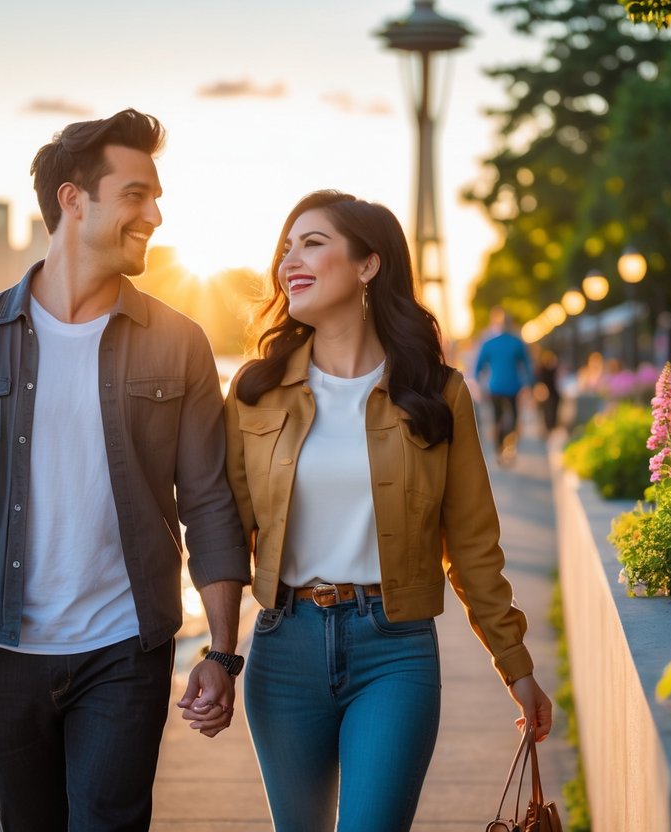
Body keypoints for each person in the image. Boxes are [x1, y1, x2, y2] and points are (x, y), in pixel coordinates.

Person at [0, 108, 250, 832]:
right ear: (72, 200)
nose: (154, 212)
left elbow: (209, 502)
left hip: (125, 650)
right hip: (4, 650)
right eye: (135, 194)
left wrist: (221, 652)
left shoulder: (178, 343)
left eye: (155, 196)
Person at [221, 191, 553, 832]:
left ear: (368, 265)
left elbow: (475, 545)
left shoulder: (437, 393)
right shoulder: (256, 392)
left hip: (394, 651)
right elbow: (225, 532)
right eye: (286, 246)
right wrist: (217, 655)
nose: (291, 258)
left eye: (312, 243)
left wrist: (516, 666)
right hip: (282, 649)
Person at [474, 307, 532, 464]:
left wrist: (479, 385)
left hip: (499, 387)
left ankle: (502, 450)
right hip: (509, 387)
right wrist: (528, 385)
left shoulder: (489, 344)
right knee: (510, 420)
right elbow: (528, 366)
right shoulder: (516, 343)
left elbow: (478, 368)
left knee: (499, 420)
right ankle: (506, 449)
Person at [533, 348, 562, 435]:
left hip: (553, 395)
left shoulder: (552, 369)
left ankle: (551, 428)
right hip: (547, 395)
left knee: (551, 412)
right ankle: (549, 428)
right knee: (548, 413)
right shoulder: (542, 370)